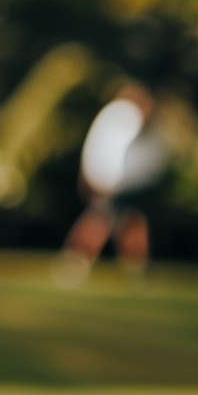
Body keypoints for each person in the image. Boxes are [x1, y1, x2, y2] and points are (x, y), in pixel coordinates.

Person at [57, 83, 167, 284]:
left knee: (131, 225)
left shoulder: (147, 128)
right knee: (99, 222)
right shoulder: (118, 118)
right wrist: (94, 179)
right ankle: (75, 263)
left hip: (132, 186)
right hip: (110, 184)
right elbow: (100, 150)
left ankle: (135, 270)